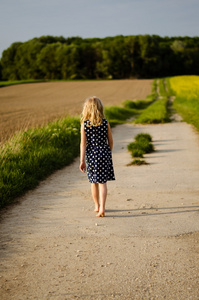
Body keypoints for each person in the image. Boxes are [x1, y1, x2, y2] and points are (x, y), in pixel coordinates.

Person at [79, 96, 115, 217]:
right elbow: (111, 141)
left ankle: (97, 206)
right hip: (104, 152)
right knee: (102, 182)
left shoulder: (84, 125)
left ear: (87, 109)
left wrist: (82, 160)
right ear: (100, 108)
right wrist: (108, 153)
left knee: (93, 182)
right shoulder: (105, 123)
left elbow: (83, 144)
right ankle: (103, 209)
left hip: (92, 154)